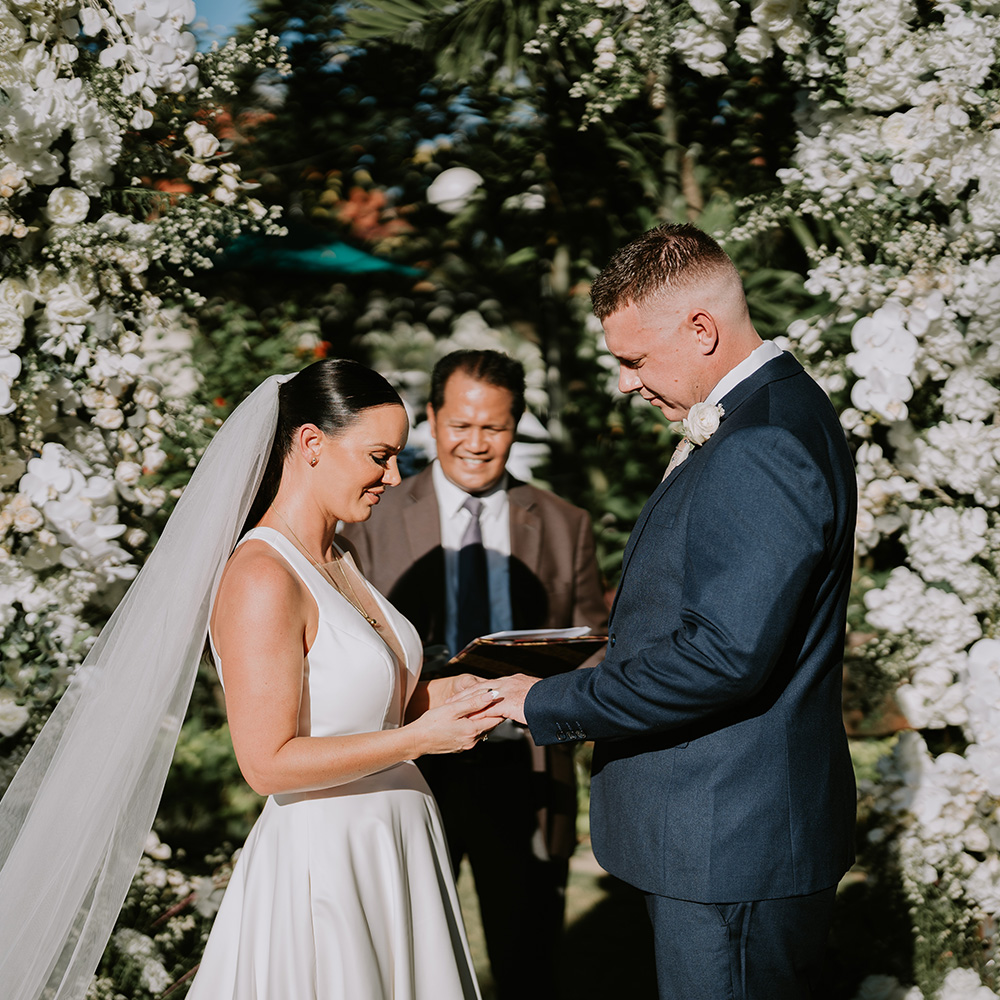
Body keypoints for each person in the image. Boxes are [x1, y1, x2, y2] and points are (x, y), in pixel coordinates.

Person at [0, 359, 503, 1000]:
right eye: (379, 455)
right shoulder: (263, 575)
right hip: (327, 861)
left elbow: (364, 706)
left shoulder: (340, 556)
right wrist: (418, 740)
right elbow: (266, 763)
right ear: (312, 443)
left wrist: (447, 695)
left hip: (395, 839)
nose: (392, 477)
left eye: (397, 457)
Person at [487, 224, 858, 1000]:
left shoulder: (761, 441)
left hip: (731, 844)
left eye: (634, 360)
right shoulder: (776, 409)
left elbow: (722, 658)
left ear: (702, 329)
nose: (625, 383)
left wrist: (539, 700)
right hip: (723, 833)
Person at [341, 350, 607, 1000]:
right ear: (432, 418)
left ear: (516, 425)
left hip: (525, 771)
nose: (476, 444)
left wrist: (556, 695)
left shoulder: (564, 524)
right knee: (403, 958)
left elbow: (596, 647)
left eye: (494, 427)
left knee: (528, 962)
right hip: (409, 770)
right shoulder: (370, 514)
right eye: (460, 425)